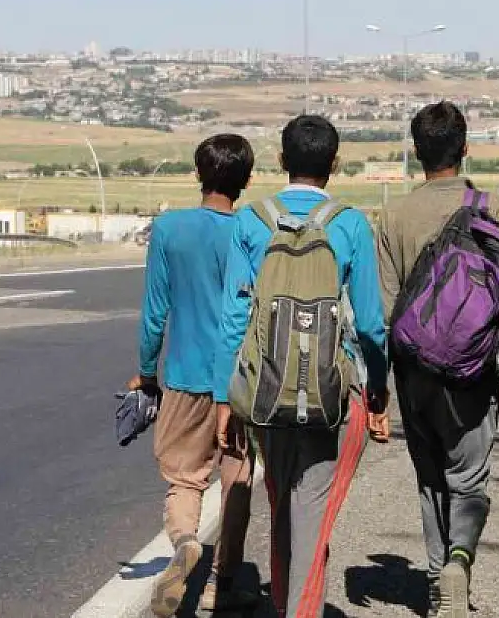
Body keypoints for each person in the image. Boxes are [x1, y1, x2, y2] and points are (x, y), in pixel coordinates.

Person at [212, 114, 390, 618]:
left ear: (282, 161)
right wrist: (378, 391)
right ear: (334, 164)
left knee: (285, 512)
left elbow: (234, 316)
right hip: (333, 394)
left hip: (266, 392)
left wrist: (227, 398)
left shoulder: (251, 220)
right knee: (313, 519)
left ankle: (291, 604)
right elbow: (373, 325)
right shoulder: (351, 223)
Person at [377, 101, 499, 618]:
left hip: (414, 374)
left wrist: (378, 389)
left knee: (430, 477)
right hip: (474, 372)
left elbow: (385, 311)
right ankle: (460, 561)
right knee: (471, 476)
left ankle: (439, 579)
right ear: (464, 149)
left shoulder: (394, 216)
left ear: (417, 152)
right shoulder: (492, 209)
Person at [127, 134, 260, 617]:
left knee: (185, 480)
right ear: (245, 180)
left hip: (183, 376)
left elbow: (155, 314)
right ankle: (221, 584)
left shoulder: (169, 229)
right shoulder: (251, 230)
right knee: (237, 478)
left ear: (197, 173)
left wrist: (145, 373)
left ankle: (185, 542)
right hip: (240, 382)